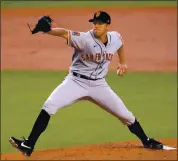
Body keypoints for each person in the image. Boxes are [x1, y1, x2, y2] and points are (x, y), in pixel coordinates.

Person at [9, 11, 163, 157]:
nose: (96, 26)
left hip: (99, 86)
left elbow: (120, 43)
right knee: (49, 105)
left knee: (126, 115)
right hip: (75, 82)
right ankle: (29, 145)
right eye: (94, 23)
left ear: (108, 26)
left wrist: (123, 62)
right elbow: (64, 33)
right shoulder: (84, 38)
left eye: (100, 23)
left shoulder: (115, 37)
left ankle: (146, 140)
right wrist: (48, 31)